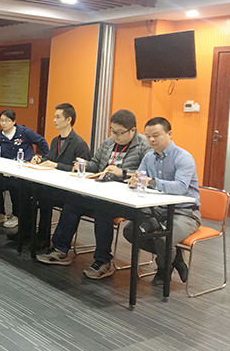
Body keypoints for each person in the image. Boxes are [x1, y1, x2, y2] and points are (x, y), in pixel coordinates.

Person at [36, 109, 151, 280]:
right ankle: (60, 250)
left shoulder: (144, 147)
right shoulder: (108, 143)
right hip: (101, 191)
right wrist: (84, 164)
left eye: (120, 133)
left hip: (126, 198)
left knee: (103, 210)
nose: (115, 136)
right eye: (112, 131)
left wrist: (122, 173)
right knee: (72, 202)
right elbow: (96, 164)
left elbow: (146, 175)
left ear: (132, 130)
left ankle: (103, 261)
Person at [123, 117, 200, 286]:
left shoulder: (183, 157)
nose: (151, 140)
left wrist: (151, 182)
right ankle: (176, 258)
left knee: (164, 239)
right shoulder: (148, 157)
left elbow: (180, 187)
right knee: (131, 230)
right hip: (157, 209)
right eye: (148, 136)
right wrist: (134, 182)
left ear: (169, 134)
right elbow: (139, 178)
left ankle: (164, 270)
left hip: (185, 212)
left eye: (156, 135)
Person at [14, 103, 90, 251]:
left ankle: (43, 238)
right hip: (53, 185)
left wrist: (56, 165)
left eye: (58, 117)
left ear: (68, 120)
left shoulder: (79, 144)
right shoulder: (56, 140)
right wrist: (39, 160)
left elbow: (81, 170)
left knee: (43, 198)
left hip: (68, 190)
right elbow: (50, 158)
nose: (54, 120)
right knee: (25, 190)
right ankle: (26, 233)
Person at [0, 109, 49, 227]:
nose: (4, 123)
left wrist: (45, 159)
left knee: (16, 186)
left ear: (14, 121)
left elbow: (42, 142)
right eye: (1, 120)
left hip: (24, 170)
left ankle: (17, 215)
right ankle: (1, 213)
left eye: (7, 120)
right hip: (7, 171)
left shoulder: (24, 132)